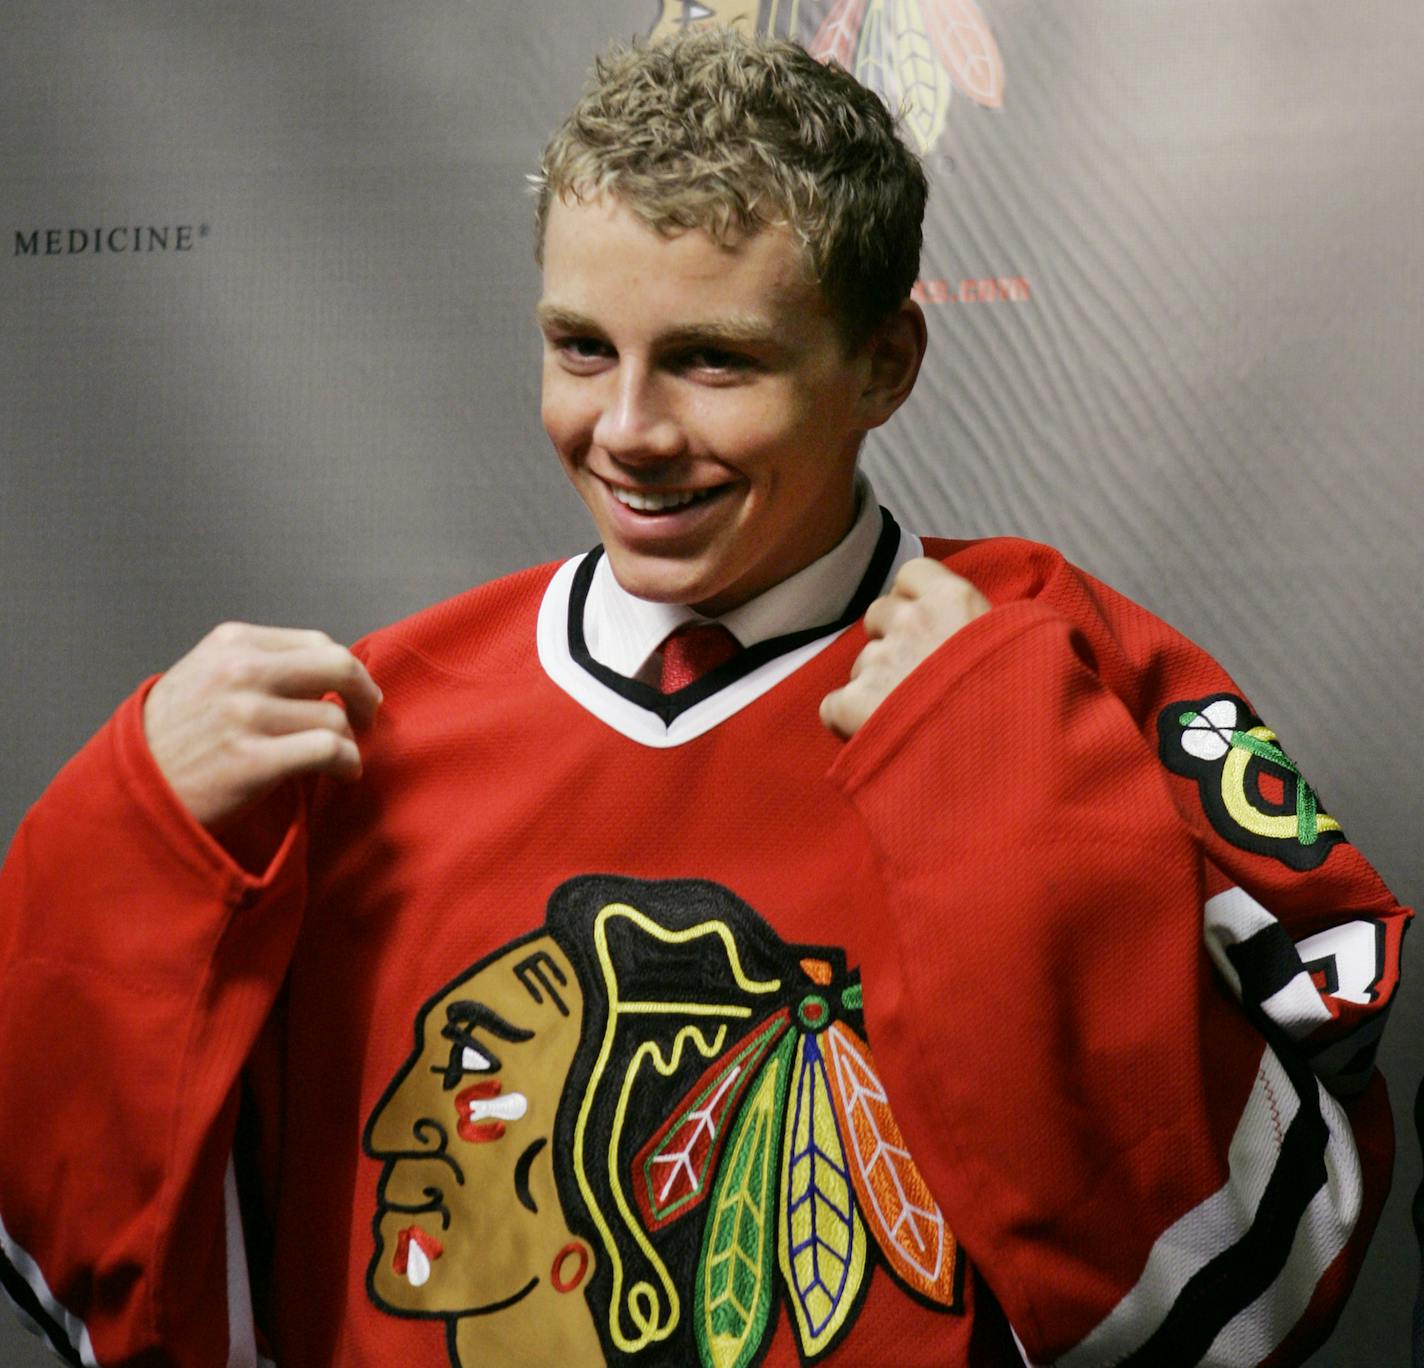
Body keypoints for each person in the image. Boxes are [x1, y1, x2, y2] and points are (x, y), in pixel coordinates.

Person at [0, 27, 1407, 1368]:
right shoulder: (356, 727)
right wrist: (121, 845)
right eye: (579, 347)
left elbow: (1245, 1301)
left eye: (712, 360)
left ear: (887, 365)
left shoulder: (1065, 673)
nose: (627, 433)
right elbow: (129, 1278)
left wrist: (1007, 798)